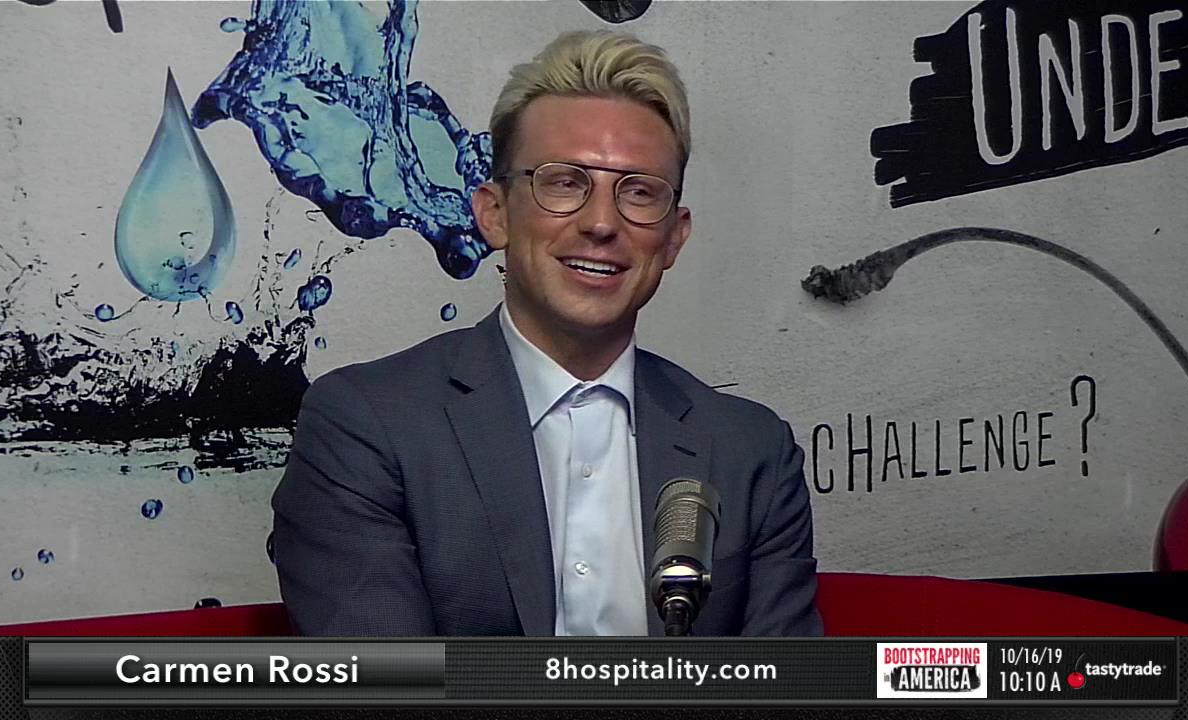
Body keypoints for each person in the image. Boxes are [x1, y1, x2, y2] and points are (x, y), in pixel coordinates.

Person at [272, 29, 821, 636]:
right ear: (494, 213)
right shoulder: (365, 424)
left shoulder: (752, 449)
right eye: (565, 182)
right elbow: (388, 677)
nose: (601, 223)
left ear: (674, 238)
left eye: (639, 192)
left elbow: (787, 679)